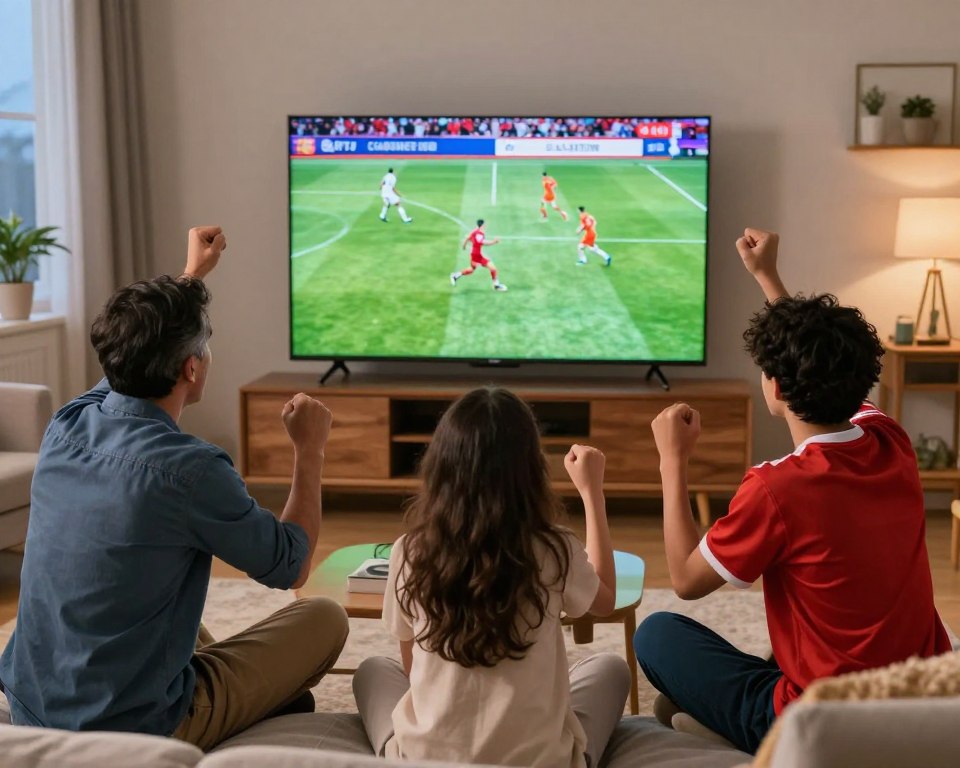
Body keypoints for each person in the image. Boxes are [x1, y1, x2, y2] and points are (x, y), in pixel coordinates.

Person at [0, 227, 349, 751]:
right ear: (192, 367)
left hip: (33, 702)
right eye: (205, 346)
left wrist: (192, 277)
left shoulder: (66, 423)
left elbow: (132, 349)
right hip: (134, 726)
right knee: (325, 616)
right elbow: (290, 565)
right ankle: (248, 703)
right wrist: (309, 450)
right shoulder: (194, 471)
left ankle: (256, 694)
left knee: (167, 595)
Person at [633, 227, 952, 754]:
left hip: (824, 720)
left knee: (658, 634)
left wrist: (673, 459)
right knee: (789, 639)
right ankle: (715, 708)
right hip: (915, 693)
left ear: (774, 388)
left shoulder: (776, 488)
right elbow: (821, 360)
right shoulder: (890, 438)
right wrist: (766, 276)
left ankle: (737, 725)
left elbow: (687, 579)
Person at [352, 387, 629, 768]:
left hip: (424, 760)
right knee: (611, 668)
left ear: (441, 465)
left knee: (372, 670)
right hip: (542, 762)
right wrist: (592, 493)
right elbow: (606, 599)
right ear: (530, 469)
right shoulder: (553, 548)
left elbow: (412, 667)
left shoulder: (410, 549)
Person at [451, 219, 508, 291]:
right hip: (477, 256)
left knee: (471, 269)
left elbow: (467, 238)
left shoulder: (475, 231)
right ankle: (496, 285)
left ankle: (455, 276)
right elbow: (483, 243)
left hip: (475, 254)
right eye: (485, 224)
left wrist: (464, 246)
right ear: (483, 225)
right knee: (493, 268)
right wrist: (494, 242)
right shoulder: (480, 234)